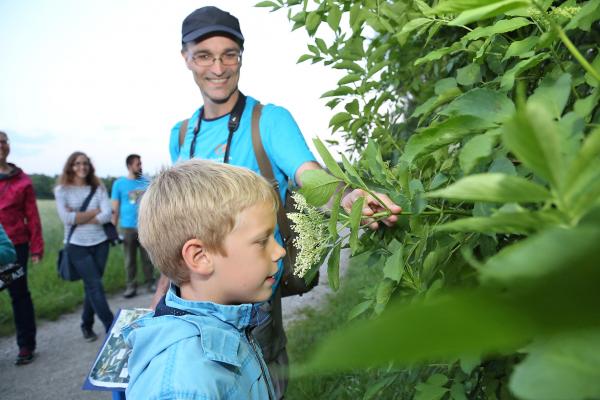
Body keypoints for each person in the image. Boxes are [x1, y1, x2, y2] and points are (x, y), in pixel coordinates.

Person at [154, 6, 402, 398]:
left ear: (241, 57)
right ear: (185, 57)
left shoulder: (268, 120)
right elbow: (176, 228)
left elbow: (308, 172)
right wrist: (159, 302)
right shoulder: (180, 133)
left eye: (229, 54)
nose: (218, 67)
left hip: (255, 299)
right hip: (192, 301)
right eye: (204, 55)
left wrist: (347, 196)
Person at [124, 160, 282, 399]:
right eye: (262, 241)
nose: (279, 252)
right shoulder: (182, 387)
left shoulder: (229, 320)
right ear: (200, 257)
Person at [54, 151, 114, 342]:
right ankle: (112, 327)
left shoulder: (98, 188)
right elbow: (67, 218)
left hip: (101, 243)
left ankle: (86, 325)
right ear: (70, 166)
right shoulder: (61, 191)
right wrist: (94, 211)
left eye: (85, 163)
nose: (82, 167)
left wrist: (80, 215)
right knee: (95, 285)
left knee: (92, 286)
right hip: (76, 246)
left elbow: (107, 214)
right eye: (77, 163)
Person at [0, 130, 44, 365]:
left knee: (18, 294)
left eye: (3, 141)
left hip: (15, 246)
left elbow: (32, 216)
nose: (0, 146)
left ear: (8, 146)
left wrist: (37, 248)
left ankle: (26, 345)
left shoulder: (21, 179)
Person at [111, 154, 155, 298]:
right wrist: (112, 229)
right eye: (138, 164)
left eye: (141, 163)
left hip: (144, 226)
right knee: (129, 259)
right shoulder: (119, 184)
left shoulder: (146, 182)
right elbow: (115, 208)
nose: (140, 166)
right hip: (127, 227)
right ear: (129, 166)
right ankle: (131, 286)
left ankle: (150, 283)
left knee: (148, 258)